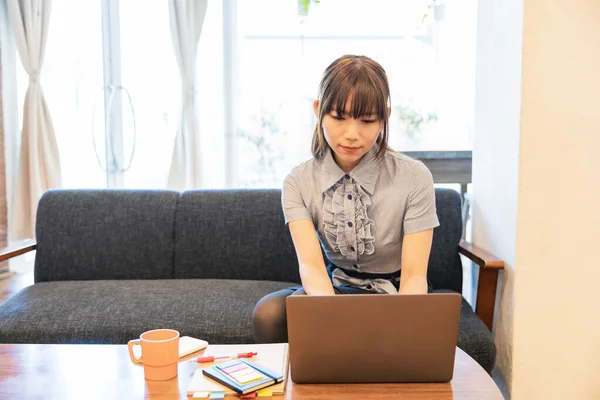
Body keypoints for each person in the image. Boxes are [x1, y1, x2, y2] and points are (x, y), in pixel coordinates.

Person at [252, 54, 440, 343]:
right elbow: (312, 266)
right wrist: (334, 317)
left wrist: (405, 322)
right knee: (269, 314)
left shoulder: (415, 177)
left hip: (398, 292)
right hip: (333, 288)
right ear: (319, 111)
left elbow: (415, 275)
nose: (352, 135)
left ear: (384, 118)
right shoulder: (298, 182)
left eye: (367, 120)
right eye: (339, 117)